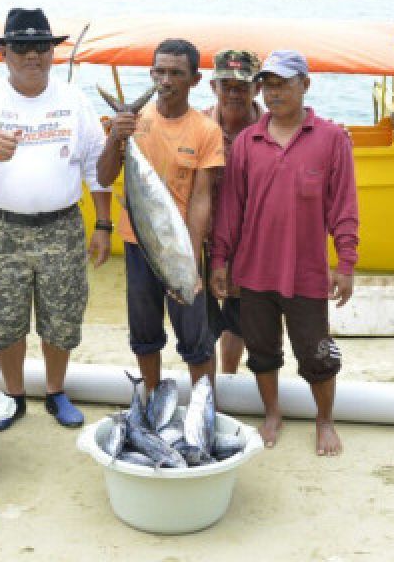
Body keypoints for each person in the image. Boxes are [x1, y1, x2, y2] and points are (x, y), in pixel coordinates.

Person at [0, 8, 112, 431]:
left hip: (63, 225)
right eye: (21, 47)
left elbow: (97, 165)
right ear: (4, 52)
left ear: (52, 53)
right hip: (1, 228)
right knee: (3, 316)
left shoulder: (75, 101)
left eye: (41, 47)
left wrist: (103, 224)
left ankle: (56, 390)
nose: (32, 56)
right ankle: (14, 394)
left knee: (62, 314)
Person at [210, 49, 358, 456]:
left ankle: (324, 419)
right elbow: (230, 210)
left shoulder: (331, 139)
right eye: (268, 85)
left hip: (307, 272)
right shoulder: (247, 142)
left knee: (317, 352)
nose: (273, 93)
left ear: (305, 85)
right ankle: (271, 412)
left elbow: (343, 208)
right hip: (253, 271)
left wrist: (345, 264)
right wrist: (221, 259)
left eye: (283, 84)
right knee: (262, 351)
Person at [98, 38, 224, 391]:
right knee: (144, 329)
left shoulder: (205, 130)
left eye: (176, 73)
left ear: (195, 80)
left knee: (196, 337)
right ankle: (151, 397)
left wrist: (190, 258)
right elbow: (105, 176)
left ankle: (204, 406)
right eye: (160, 72)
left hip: (181, 246)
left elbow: (201, 200)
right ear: (151, 74)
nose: (165, 80)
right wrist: (115, 139)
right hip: (138, 243)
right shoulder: (132, 123)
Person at [202, 49, 263, 375]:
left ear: (258, 88)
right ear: (214, 87)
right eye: (227, 86)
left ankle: (228, 377)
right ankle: (207, 385)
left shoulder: (274, 129)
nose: (234, 93)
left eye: (243, 86)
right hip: (204, 240)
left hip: (252, 245)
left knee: (239, 321)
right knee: (204, 322)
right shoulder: (197, 126)